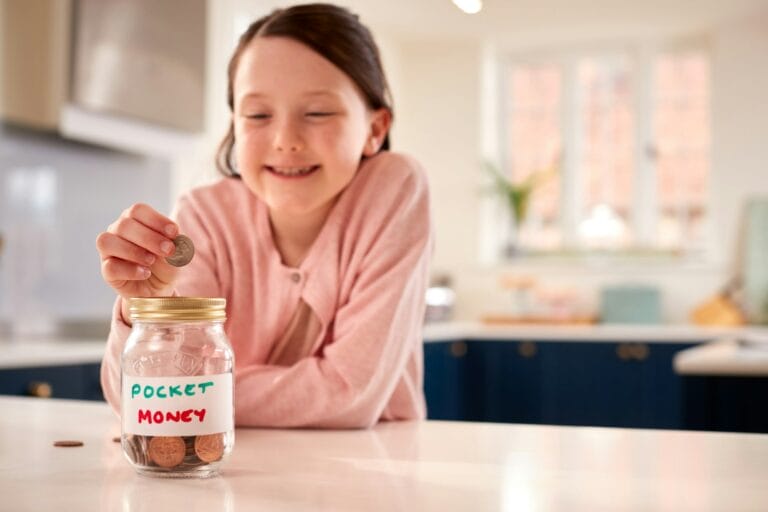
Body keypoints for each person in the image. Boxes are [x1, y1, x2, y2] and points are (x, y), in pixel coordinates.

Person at [96, 3, 433, 428]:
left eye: (318, 113)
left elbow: (351, 394)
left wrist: (202, 391)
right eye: (257, 115)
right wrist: (144, 309)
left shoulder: (393, 187)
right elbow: (137, 397)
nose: (285, 140)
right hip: (234, 470)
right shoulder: (206, 213)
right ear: (236, 123)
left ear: (375, 129)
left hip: (373, 464)